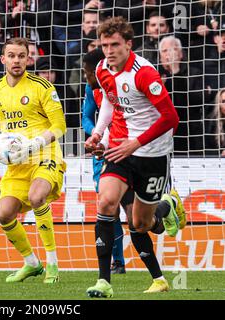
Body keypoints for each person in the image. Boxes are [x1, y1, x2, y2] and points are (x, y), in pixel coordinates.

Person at [84, 17, 186, 298]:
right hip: (119, 147)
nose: (108, 50)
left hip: (152, 153)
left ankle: (168, 206)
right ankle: (104, 282)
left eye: (114, 44)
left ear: (128, 44)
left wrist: (136, 143)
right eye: (104, 45)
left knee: (141, 224)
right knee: (105, 201)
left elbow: (171, 118)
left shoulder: (145, 74)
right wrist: (100, 135)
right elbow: (108, 100)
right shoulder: (103, 68)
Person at [0, 37, 67, 284]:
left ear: (28, 58)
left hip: (45, 154)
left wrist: (35, 143)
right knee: (4, 213)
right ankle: (32, 263)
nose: (17, 60)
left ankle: (52, 264)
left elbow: (60, 126)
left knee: (36, 196)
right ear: (3, 59)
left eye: (22, 56)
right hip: (15, 162)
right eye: (12, 55)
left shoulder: (42, 87)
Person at [81, 48, 130, 274]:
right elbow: (86, 119)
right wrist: (96, 136)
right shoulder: (92, 91)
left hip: (127, 149)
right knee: (108, 207)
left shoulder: (122, 85)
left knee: (136, 215)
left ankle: (165, 207)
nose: (85, 76)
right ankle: (117, 261)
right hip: (102, 153)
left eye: (87, 72)